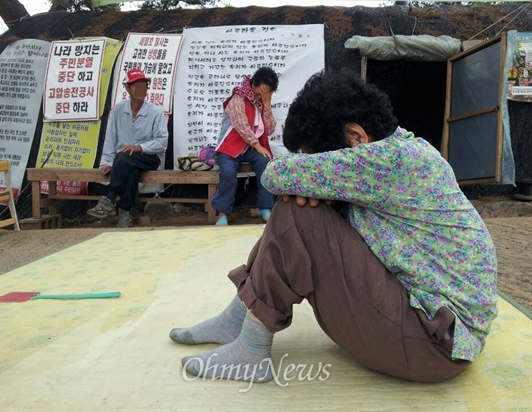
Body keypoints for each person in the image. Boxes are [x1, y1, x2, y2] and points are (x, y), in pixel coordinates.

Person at [169, 70, 498, 384]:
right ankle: (238, 319)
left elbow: (274, 174)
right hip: (433, 335)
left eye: (317, 158)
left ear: (355, 137)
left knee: (299, 214)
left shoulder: (391, 159)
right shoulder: (406, 151)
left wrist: (310, 187)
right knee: (304, 204)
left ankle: (250, 350)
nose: (318, 166)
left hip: (432, 345)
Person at [87, 68, 168, 227]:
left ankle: (111, 197)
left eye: (143, 85)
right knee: (131, 168)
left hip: (149, 157)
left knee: (125, 157)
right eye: (135, 85)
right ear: (127, 88)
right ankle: (125, 212)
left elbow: (162, 141)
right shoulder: (119, 109)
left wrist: (140, 147)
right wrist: (109, 163)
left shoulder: (155, 112)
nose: (140, 89)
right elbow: (111, 137)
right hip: (125, 161)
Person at [211, 66, 279, 225]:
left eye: (266, 93)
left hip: (249, 149)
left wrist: (267, 105)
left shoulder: (262, 104)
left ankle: (265, 207)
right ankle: (222, 214)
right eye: (259, 92)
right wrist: (257, 145)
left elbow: (269, 130)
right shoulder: (237, 99)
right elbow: (241, 126)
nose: (260, 95)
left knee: (265, 163)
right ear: (253, 84)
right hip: (229, 148)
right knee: (228, 172)